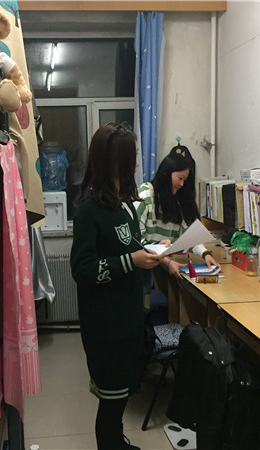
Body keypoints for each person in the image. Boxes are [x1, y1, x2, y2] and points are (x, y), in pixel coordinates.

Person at [71, 122, 163, 450]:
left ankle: (117, 443)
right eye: (132, 156)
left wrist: (151, 251)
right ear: (114, 162)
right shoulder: (89, 209)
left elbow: (127, 246)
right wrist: (131, 261)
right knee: (110, 400)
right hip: (105, 322)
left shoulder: (124, 204)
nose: (137, 163)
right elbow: (82, 269)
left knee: (122, 393)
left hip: (128, 316)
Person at [135, 144, 220, 279]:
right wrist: (167, 262)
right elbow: (136, 242)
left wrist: (205, 253)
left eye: (185, 180)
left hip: (158, 267)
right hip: (139, 269)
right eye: (180, 178)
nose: (182, 184)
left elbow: (189, 236)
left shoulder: (178, 201)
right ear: (166, 173)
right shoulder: (144, 196)